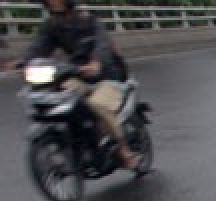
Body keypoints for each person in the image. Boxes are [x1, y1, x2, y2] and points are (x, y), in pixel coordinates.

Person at [8, 0, 141, 170]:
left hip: (108, 75)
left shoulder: (90, 20)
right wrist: (23, 62)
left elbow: (103, 44)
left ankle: (124, 150)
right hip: (78, 73)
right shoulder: (52, 25)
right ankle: (79, 138)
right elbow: (39, 46)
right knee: (56, 97)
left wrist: (97, 62)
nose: (53, 2)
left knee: (97, 105)